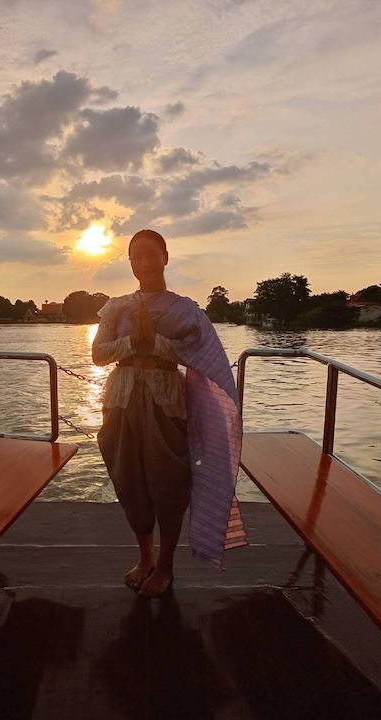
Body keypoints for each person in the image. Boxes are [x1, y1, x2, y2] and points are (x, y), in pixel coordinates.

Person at [92, 229, 246, 598]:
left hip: (165, 401)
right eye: (135, 257)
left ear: (165, 256)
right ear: (130, 263)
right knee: (130, 481)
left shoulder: (184, 309)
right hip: (122, 401)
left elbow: (194, 355)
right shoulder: (116, 307)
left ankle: (165, 566)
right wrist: (133, 342)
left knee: (169, 483)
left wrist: (155, 342)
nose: (143, 263)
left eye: (150, 254)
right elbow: (99, 354)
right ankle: (145, 558)